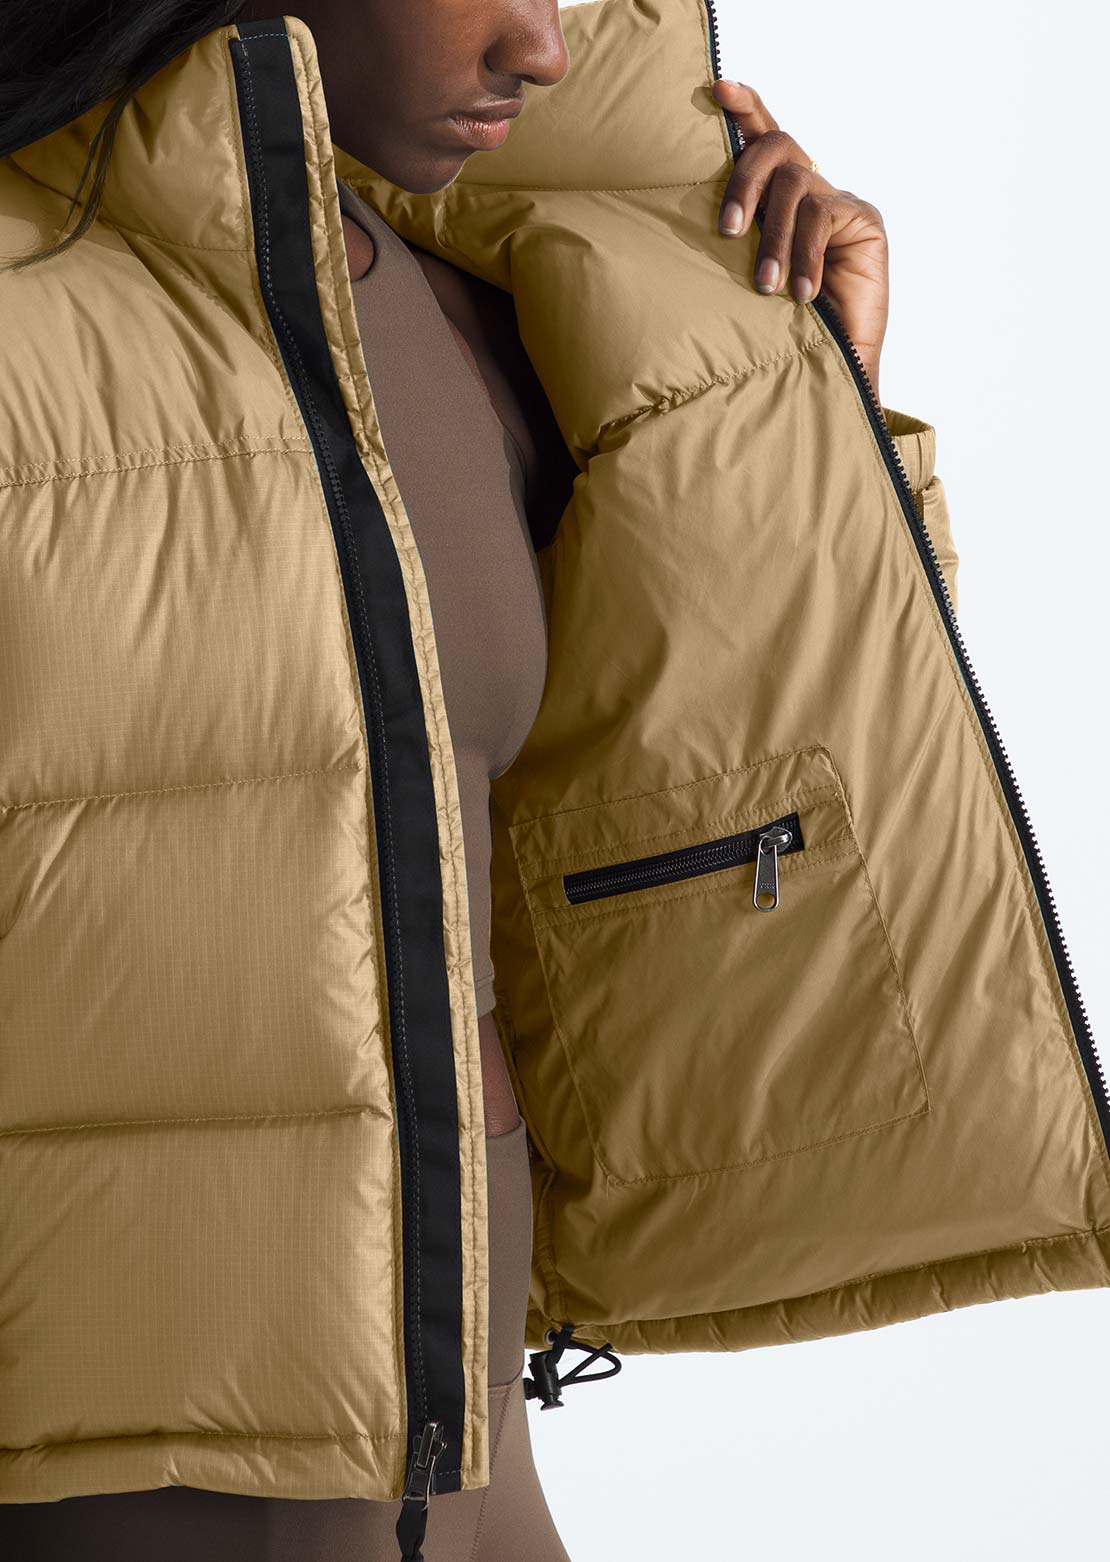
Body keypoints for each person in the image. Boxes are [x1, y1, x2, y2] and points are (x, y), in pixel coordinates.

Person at [12, 4, 1098, 1562]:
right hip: (143, 1448)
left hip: (464, 1418)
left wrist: (805, 407)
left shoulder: (485, 311)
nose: (542, 46)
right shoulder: (31, 317)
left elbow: (708, 784)